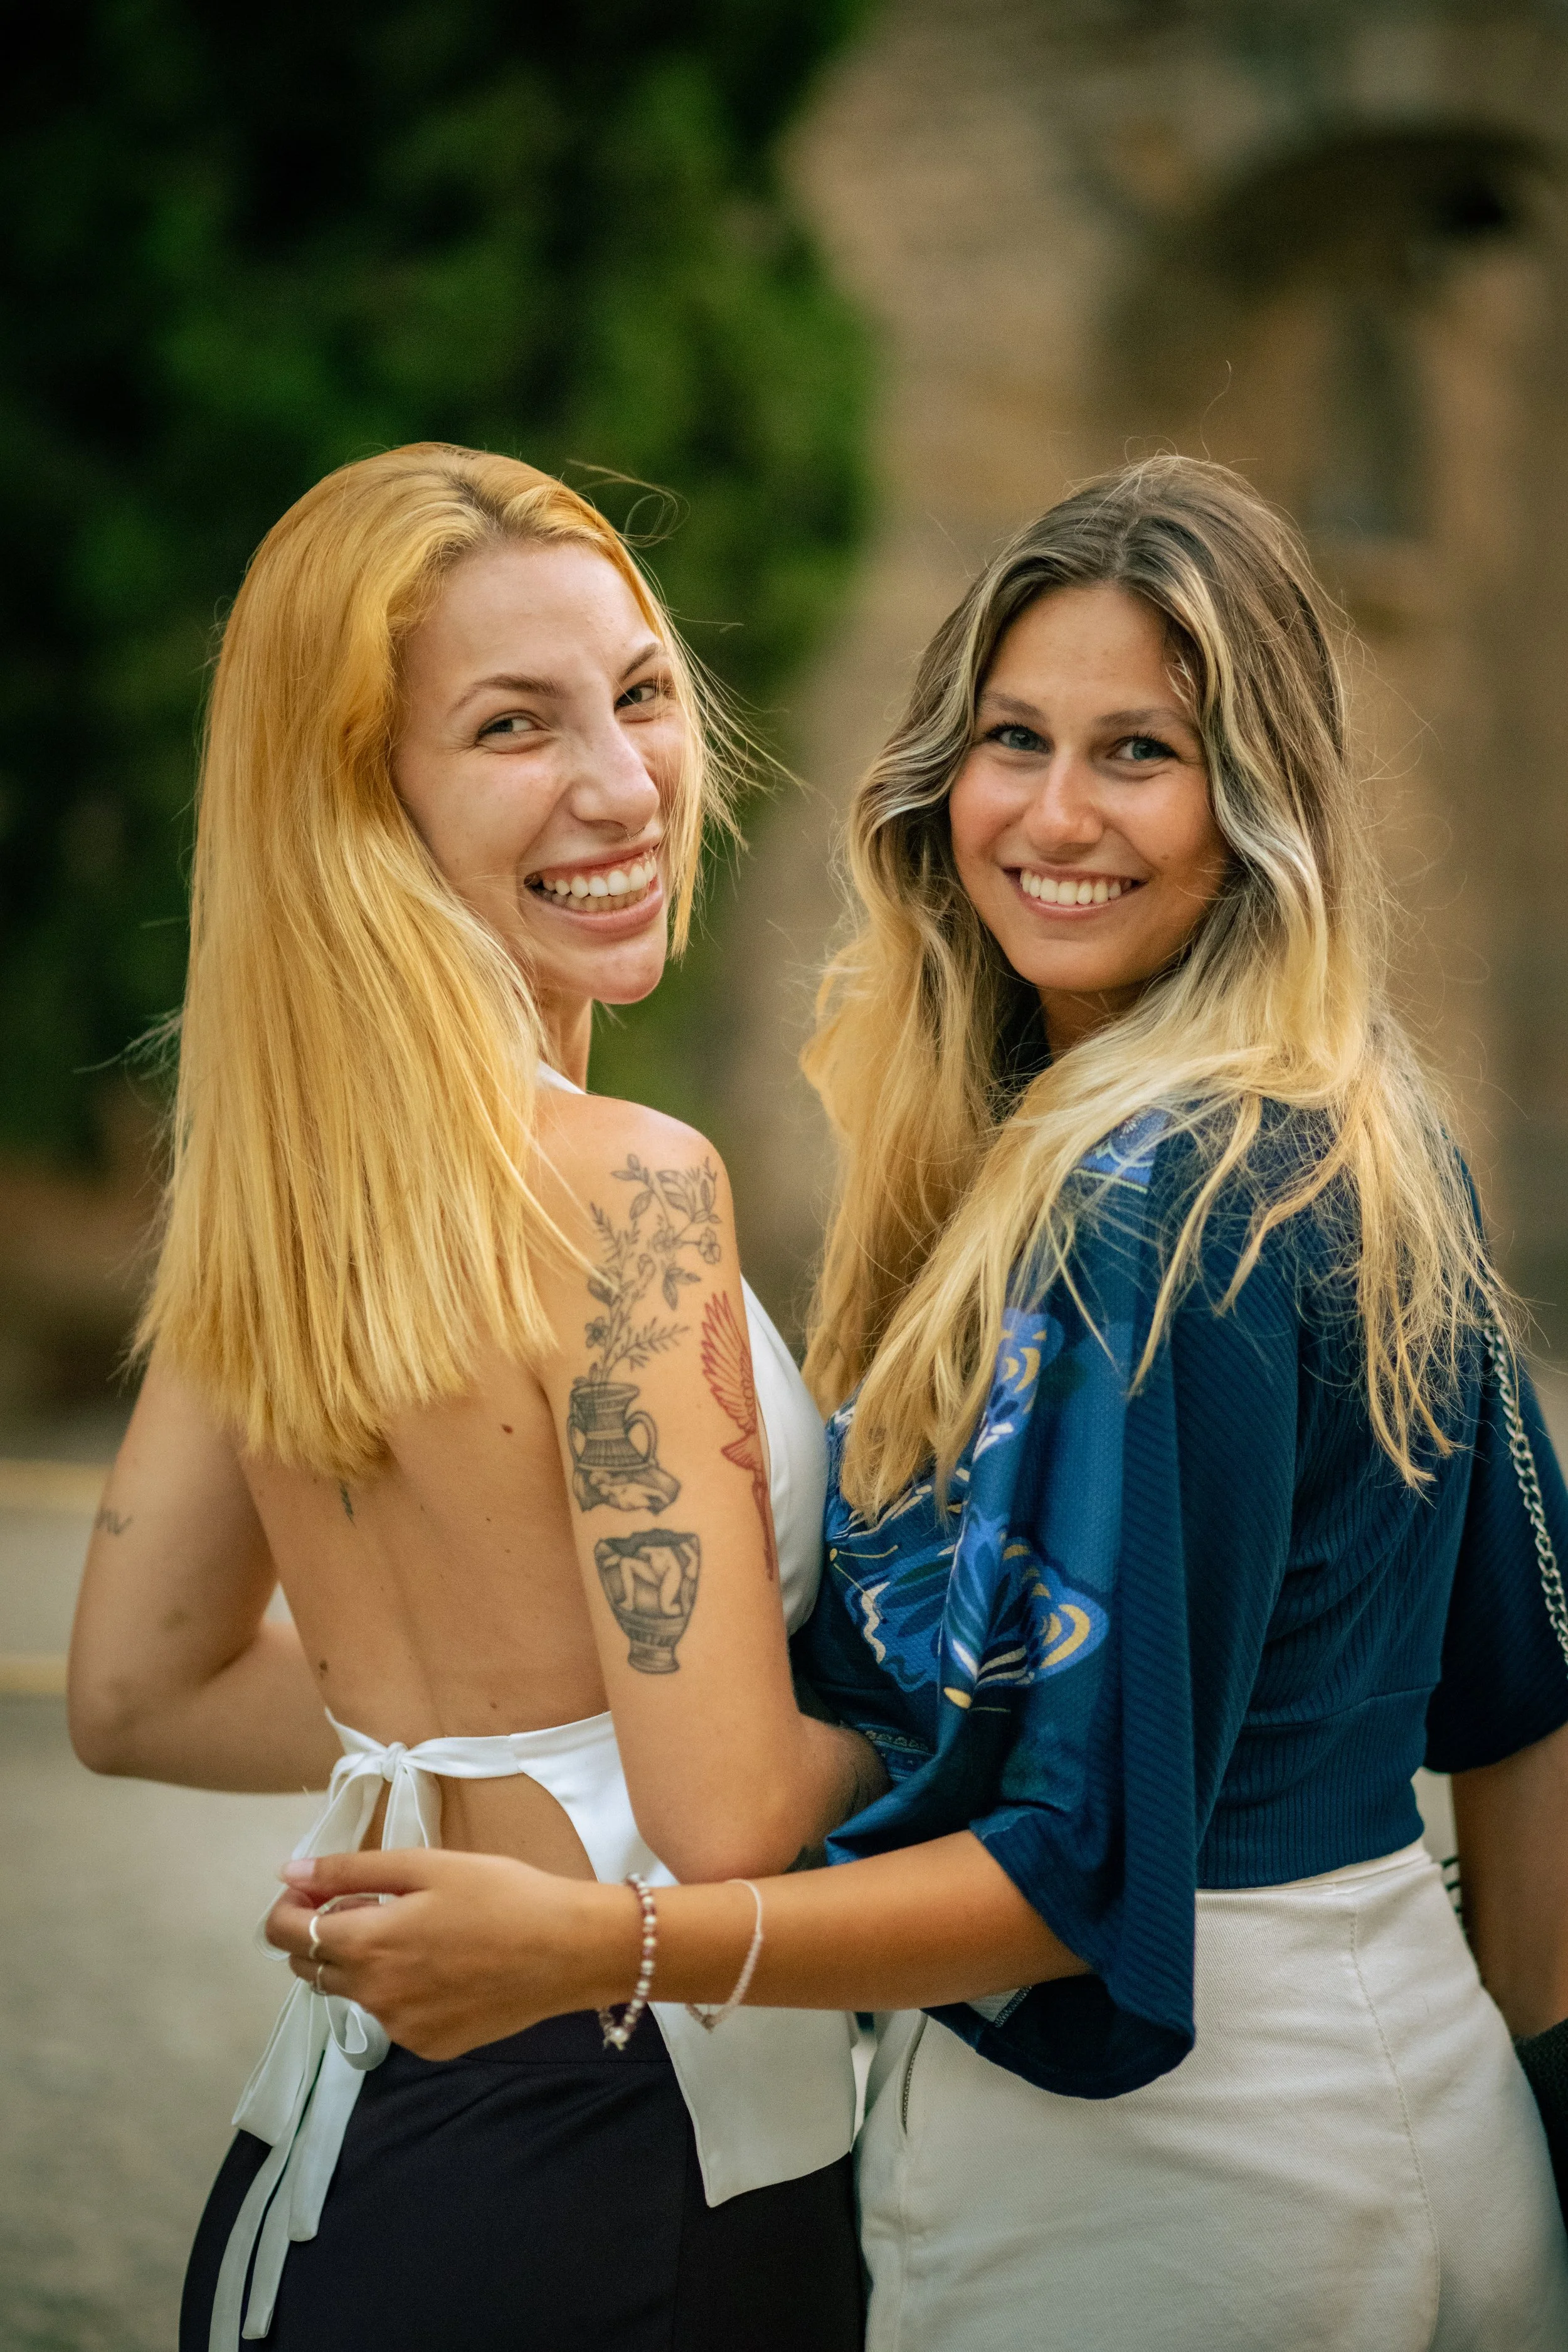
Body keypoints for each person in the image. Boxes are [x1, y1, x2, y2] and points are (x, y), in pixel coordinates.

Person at [270, 457, 1568, 2351]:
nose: (1053, 812)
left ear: (1258, 803)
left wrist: (589, 1945)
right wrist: (1521, 2107)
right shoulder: (1364, 1133)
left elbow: (1075, 1880)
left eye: (1140, 752)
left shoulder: (1156, 1198)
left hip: (1161, 2186)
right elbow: (1522, 1705)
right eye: (1013, 738)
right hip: (1425, 2126)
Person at [67, 443, 881, 2352]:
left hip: (328, 2177)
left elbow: (137, 1690)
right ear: (361, 796)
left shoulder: (278, 1184)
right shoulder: (628, 1184)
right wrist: (968, 1695)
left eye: (644, 691)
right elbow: (730, 1816)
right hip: (618, 2178)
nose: (623, 784)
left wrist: (478, 1738)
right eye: (513, 726)